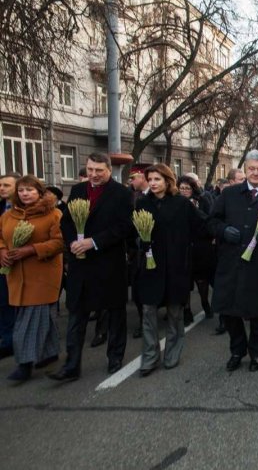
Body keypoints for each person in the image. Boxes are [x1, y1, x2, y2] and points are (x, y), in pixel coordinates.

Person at [50, 152, 134, 382]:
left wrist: (94, 242)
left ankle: (115, 357)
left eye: (99, 171)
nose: (94, 175)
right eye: (90, 170)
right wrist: (73, 243)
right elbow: (66, 221)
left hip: (108, 263)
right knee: (77, 313)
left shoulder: (122, 194)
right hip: (81, 264)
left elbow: (125, 226)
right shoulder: (78, 191)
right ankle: (71, 365)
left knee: (115, 313)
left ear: (108, 170)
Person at [208, 151, 258, 372]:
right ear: (245, 168)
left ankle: (257, 353)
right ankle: (237, 350)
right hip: (230, 262)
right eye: (252, 168)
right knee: (229, 311)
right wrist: (223, 231)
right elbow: (212, 221)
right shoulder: (230, 194)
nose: (256, 173)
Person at [135, 164, 207, 377]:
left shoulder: (181, 204)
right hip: (150, 266)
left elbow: (201, 225)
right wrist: (141, 242)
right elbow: (135, 229)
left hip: (175, 267)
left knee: (174, 312)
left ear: (168, 180)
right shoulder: (142, 203)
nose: (153, 183)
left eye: (157, 179)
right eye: (150, 179)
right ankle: (149, 357)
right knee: (148, 311)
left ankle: (173, 351)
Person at [0, 176, 63, 381]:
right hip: (17, 275)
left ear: (40, 192)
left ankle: (24, 364)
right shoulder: (9, 216)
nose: (25, 194)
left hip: (43, 275)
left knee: (27, 323)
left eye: (30, 190)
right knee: (43, 318)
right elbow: (1, 237)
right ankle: (50, 352)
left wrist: (31, 250)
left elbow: (60, 242)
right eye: (21, 190)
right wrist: (2, 251)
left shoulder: (54, 214)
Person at [178, 176, 215, 323]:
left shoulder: (202, 200)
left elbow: (208, 220)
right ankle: (187, 311)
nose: (185, 191)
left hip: (200, 245)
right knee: (185, 281)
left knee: (201, 279)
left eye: (187, 188)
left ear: (193, 189)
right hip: (182, 246)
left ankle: (205, 303)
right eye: (182, 188)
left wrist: (193, 208)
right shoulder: (175, 202)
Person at [128, 164, 150, 339]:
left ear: (142, 177)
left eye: (133, 178)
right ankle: (144, 321)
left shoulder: (155, 195)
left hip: (155, 248)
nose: (131, 182)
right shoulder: (132, 196)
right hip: (137, 250)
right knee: (138, 287)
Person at [0, 173, 20, 361]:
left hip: (21, 263)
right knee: (3, 303)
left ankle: (13, 341)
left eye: (6, 185)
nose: (2, 188)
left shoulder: (24, 209)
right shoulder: (2, 208)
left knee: (13, 303)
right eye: (0, 185)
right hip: (3, 261)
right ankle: (6, 340)